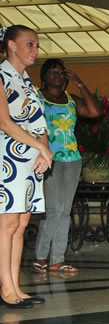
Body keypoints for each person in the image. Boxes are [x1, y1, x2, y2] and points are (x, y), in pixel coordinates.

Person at [0, 25, 53, 308]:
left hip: (30, 161)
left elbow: (39, 123)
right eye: (30, 44)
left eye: (36, 45)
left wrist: (44, 151)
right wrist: (41, 147)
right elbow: (4, 122)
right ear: (12, 45)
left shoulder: (27, 81)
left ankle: (16, 288)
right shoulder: (0, 75)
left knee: (20, 224)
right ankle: (6, 289)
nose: (35, 50)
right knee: (7, 224)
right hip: (6, 159)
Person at [32, 59, 102, 275]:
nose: (57, 75)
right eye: (52, 71)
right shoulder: (36, 96)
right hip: (47, 159)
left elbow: (94, 112)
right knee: (54, 209)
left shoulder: (71, 99)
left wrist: (80, 83)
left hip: (72, 159)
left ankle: (57, 260)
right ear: (44, 76)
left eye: (61, 72)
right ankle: (41, 257)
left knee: (65, 211)